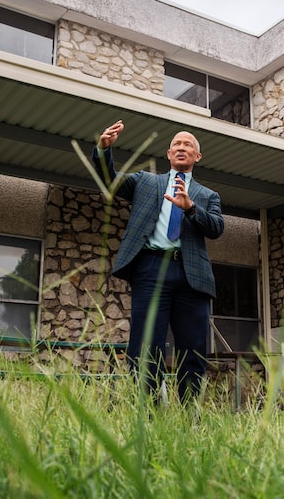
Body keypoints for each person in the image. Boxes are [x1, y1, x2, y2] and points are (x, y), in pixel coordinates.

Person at [92, 120, 225, 402]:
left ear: (197, 157)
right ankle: (147, 413)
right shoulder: (146, 181)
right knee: (146, 346)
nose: (181, 147)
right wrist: (104, 151)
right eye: (176, 144)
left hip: (191, 276)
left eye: (188, 144)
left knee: (193, 349)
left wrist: (190, 208)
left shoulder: (208, 196)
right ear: (168, 153)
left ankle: (190, 414)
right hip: (152, 269)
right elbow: (111, 180)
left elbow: (216, 228)